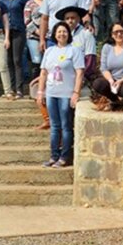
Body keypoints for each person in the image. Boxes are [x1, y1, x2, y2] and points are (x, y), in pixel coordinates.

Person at [37, 22, 85, 168]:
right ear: (55, 34)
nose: (62, 34)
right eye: (59, 32)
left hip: (66, 94)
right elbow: (44, 72)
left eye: (64, 31)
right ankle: (53, 156)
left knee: (66, 126)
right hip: (52, 93)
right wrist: (40, 91)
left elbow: (80, 73)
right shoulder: (49, 51)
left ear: (68, 34)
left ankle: (65, 157)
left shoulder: (74, 51)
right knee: (54, 126)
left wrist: (76, 92)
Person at [91, 24, 123, 107]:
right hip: (112, 80)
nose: (119, 34)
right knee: (98, 84)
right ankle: (115, 100)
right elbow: (104, 68)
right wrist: (111, 81)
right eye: (115, 32)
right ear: (111, 35)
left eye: (122, 32)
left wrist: (121, 81)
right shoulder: (107, 47)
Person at [0, 0, 29, 97]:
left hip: (18, 30)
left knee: (17, 59)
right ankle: (10, 88)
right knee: (8, 60)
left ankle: (19, 89)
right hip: (4, 32)